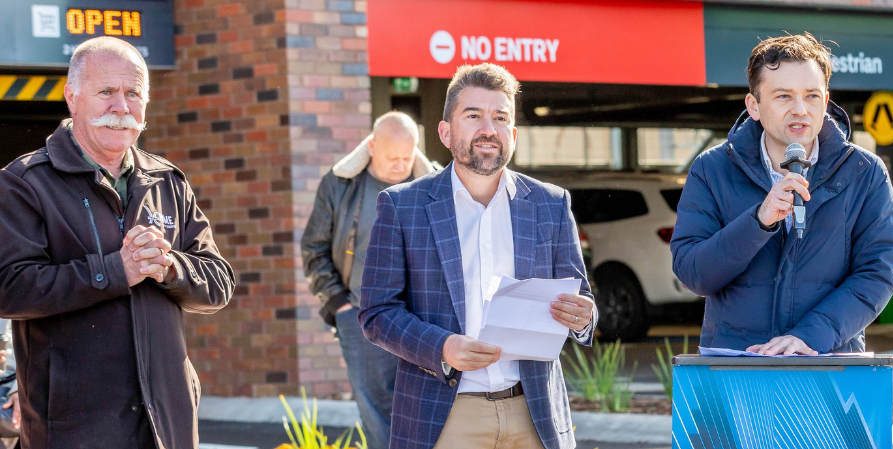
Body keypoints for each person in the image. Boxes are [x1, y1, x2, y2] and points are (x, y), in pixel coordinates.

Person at [0, 36, 235, 448]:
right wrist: (114, 271)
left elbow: (219, 284)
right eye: (106, 92)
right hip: (74, 428)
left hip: (167, 423)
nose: (121, 107)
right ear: (72, 98)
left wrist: (170, 267)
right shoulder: (24, 183)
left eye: (133, 93)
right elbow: (9, 288)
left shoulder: (167, 180)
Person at [359, 63, 596, 449]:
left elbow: (582, 300)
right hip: (445, 414)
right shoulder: (403, 207)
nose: (489, 128)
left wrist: (584, 317)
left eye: (500, 118)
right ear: (446, 131)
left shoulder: (551, 205)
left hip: (534, 412)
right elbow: (376, 313)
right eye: (474, 116)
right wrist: (443, 348)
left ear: (513, 134)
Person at [671, 33, 893, 356]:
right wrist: (758, 222)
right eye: (784, 96)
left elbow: (878, 272)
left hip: (830, 361)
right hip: (738, 364)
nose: (800, 109)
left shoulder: (865, 173)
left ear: (826, 99)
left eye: (812, 96)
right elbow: (693, 272)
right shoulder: (712, 170)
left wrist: (810, 336)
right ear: (754, 105)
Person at [301, 111, 436, 449]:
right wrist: (340, 307)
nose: (400, 166)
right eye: (393, 158)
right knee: (377, 418)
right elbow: (314, 248)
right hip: (361, 319)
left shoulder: (434, 187)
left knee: (427, 414)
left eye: (407, 158)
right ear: (372, 146)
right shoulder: (339, 184)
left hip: (423, 321)